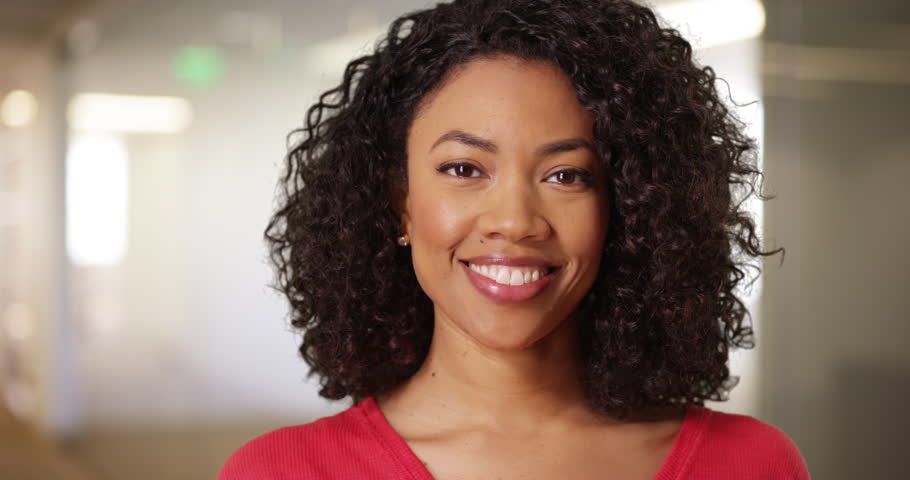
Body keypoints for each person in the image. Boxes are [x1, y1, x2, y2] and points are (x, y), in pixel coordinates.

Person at [219, 0, 809, 478]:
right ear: (399, 203)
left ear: (625, 211)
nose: (516, 220)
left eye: (567, 175)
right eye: (464, 169)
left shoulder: (752, 464)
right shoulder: (285, 471)